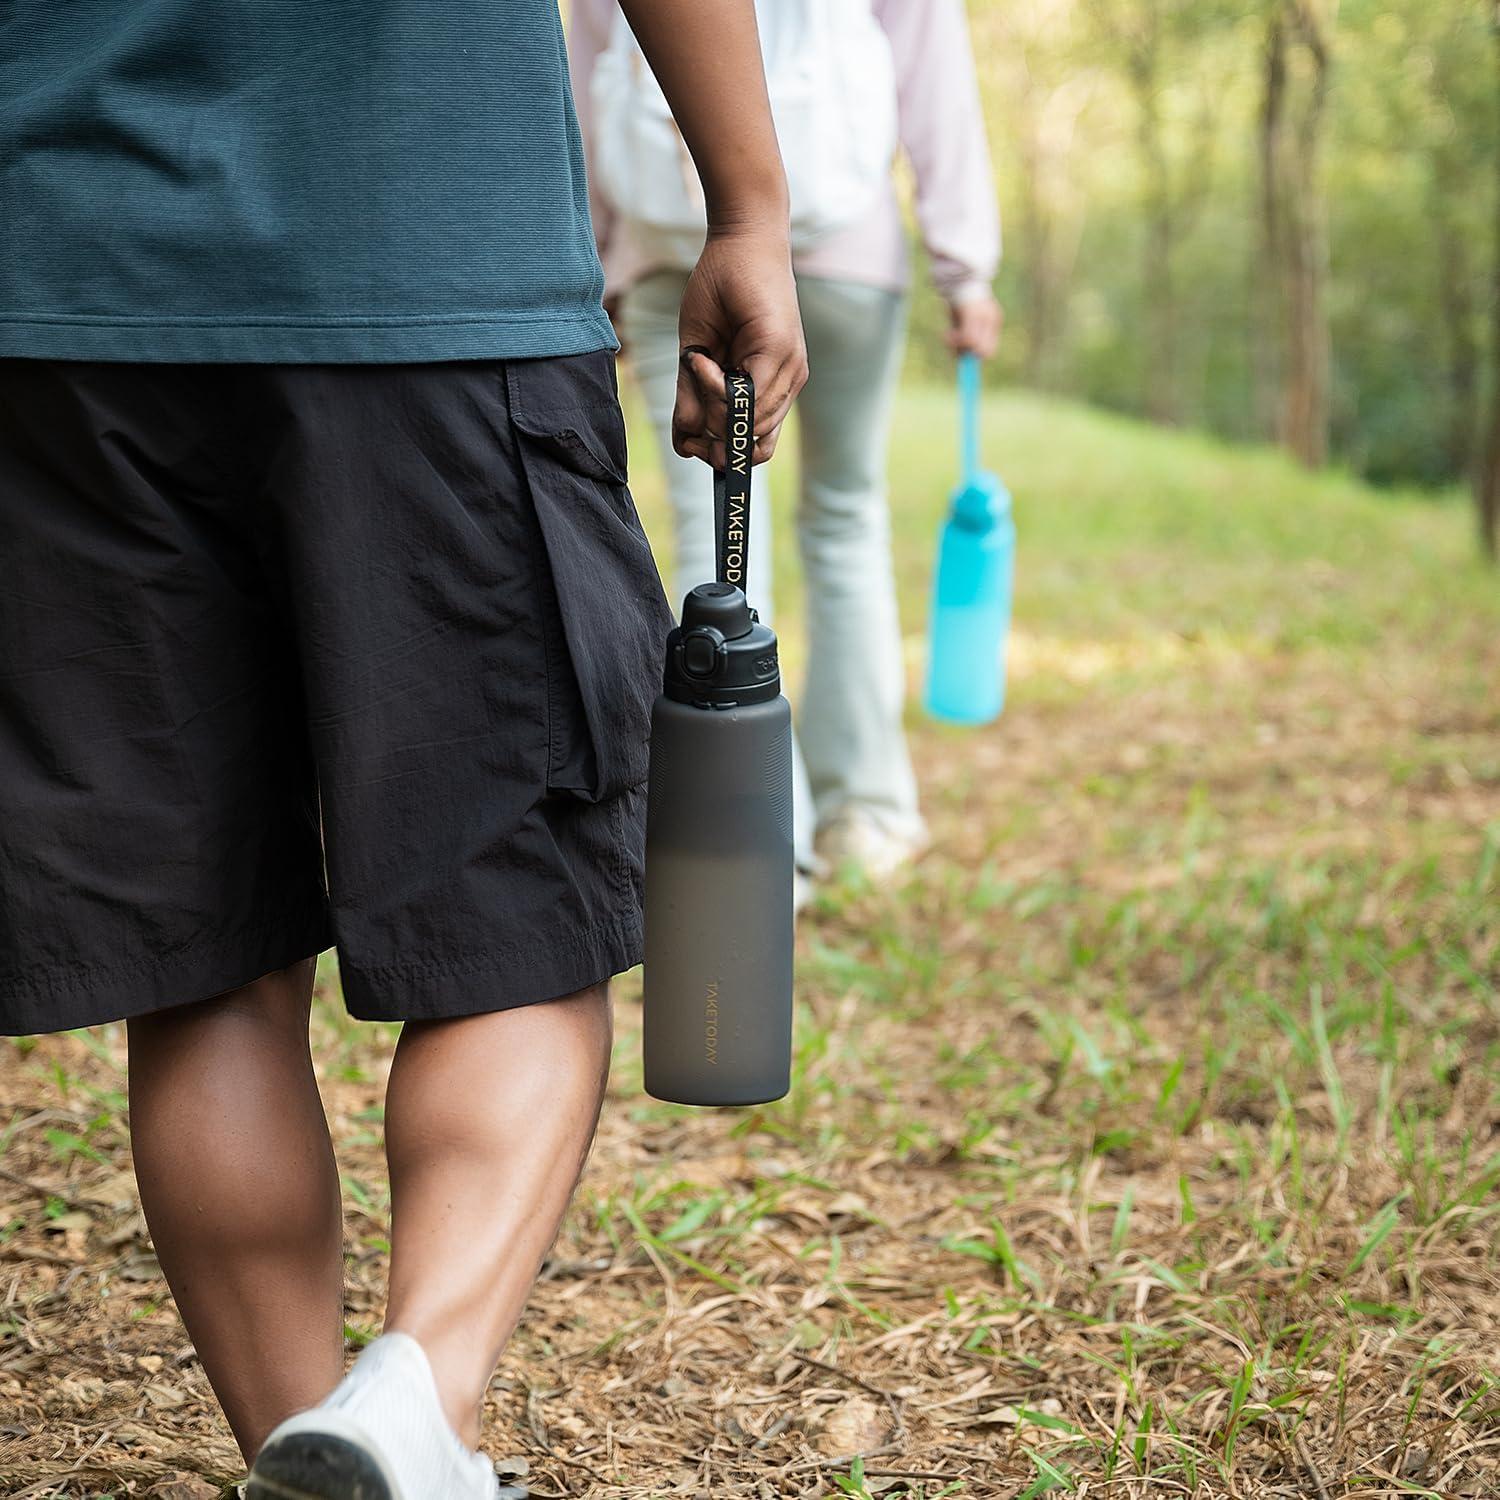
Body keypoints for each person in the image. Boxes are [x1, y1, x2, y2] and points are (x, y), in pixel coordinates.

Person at [0, 4, 805, 1498]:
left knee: (204, 958)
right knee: (512, 923)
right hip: (429, 264)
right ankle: (415, 1400)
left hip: (63, 287)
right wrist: (748, 208)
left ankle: (306, 1450)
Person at [570, 0, 1002, 889]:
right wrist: (966, 268)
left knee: (713, 533)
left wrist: (599, 257)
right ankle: (869, 816)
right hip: (843, 241)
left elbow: (591, 58)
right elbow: (933, 74)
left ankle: (752, 838)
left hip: (673, 245)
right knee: (846, 520)